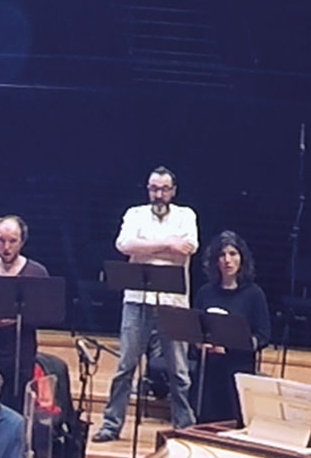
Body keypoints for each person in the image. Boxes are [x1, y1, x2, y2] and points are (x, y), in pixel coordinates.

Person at [95, 167, 199, 442]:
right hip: (136, 300)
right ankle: (111, 424)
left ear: (173, 191)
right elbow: (124, 245)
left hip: (173, 303)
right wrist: (166, 244)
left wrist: (145, 246)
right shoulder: (135, 213)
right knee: (125, 366)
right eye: (154, 189)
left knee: (178, 370)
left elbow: (188, 247)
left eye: (164, 189)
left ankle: (184, 426)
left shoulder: (186, 214)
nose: (159, 195)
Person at [0, 215, 52, 412]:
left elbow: (48, 312)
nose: (6, 247)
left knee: (17, 404)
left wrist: (18, 317)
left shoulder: (36, 272)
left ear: (22, 242)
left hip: (21, 352)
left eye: (12, 241)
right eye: (1, 240)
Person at [195, 231, 270, 428]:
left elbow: (263, 336)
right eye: (222, 255)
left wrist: (232, 347)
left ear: (241, 258)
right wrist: (200, 343)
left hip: (239, 369)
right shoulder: (205, 292)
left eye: (233, 254)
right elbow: (195, 329)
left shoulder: (254, 294)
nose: (227, 260)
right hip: (209, 371)